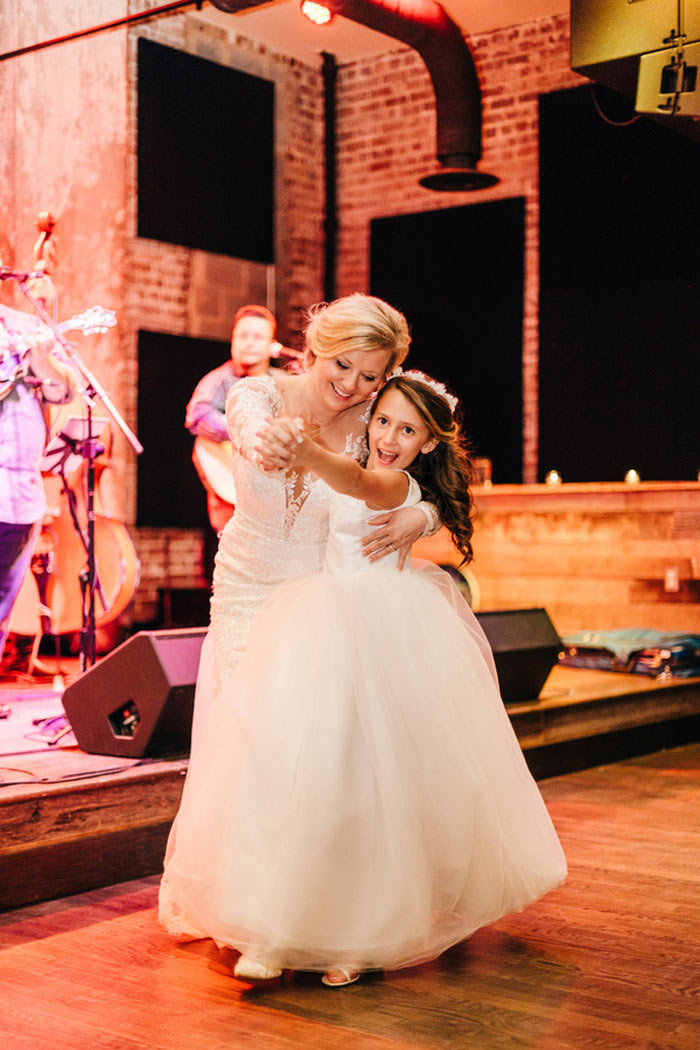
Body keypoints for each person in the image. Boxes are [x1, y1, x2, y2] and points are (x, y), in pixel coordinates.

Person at [160, 366, 567, 987]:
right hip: (318, 627)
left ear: (427, 444)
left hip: (377, 634)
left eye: (408, 430)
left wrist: (326, 461)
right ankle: (276, 926)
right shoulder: (356, 433)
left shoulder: (385, 478)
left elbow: (351, 479)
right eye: (383, 421)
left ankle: (358, 936)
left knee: (367, 791)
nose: (388, 434)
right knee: (306, 781)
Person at [159, 294, 441, 940]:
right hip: (246, 585)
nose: (353, 386)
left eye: (371, 376)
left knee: (300, 747)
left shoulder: (378, 417)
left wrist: (420, 514)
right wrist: (276, 440)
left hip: (319, 597)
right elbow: (255, 441)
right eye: (342, 366)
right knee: (245, 738)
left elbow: (446, 476)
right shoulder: (258, 396)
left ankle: (292, 906)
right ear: (314, 348)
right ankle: (243, 897)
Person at [0, 302, 75, 665]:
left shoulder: (24, 325)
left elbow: (64, 391)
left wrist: (43, 359)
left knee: (3, 602)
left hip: (18, 494)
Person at [185, 303, 281, 535]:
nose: (249, 342)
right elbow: (197, 417)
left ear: (272, 346)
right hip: (231, 488)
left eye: (258, 337)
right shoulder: (220, 380)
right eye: (242, 336)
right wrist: (246, 431)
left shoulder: (282, 382)